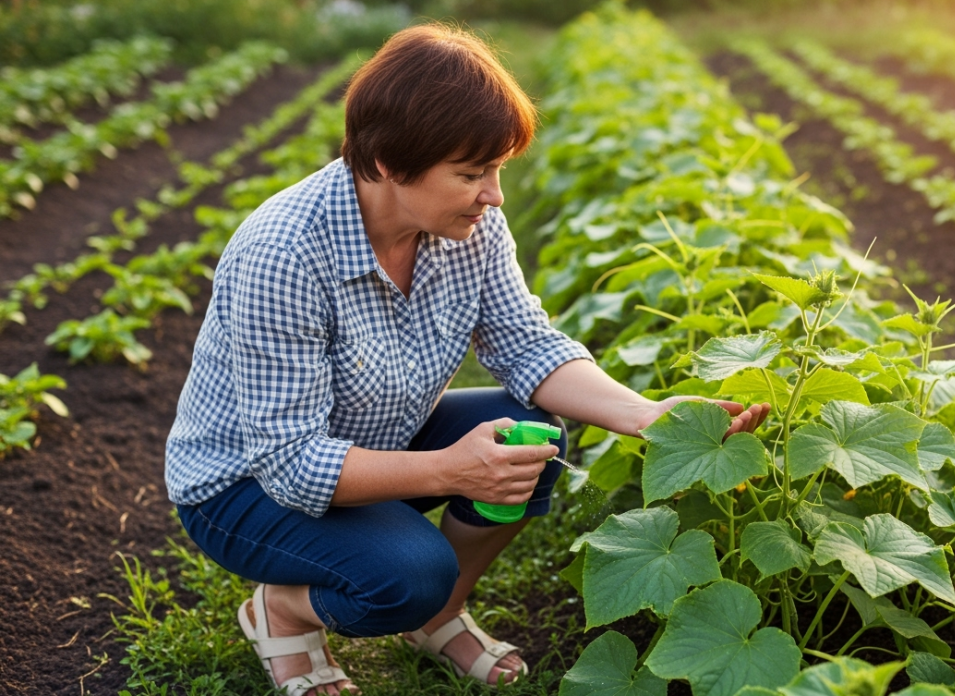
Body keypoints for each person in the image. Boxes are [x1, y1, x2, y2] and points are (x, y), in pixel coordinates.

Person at [163, 22, 769, 696]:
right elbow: (292, 464)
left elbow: (528, 344)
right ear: (390, 163)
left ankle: (439, 616)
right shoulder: (285, 255)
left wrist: (647, 415)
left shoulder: (467, 227)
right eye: (471, 173)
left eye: (498, 170)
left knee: (526, 435)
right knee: (410, 575)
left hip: (373, 438)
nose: (495, 194)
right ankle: (283, 609)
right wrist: (453, 467)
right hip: (245, 484)